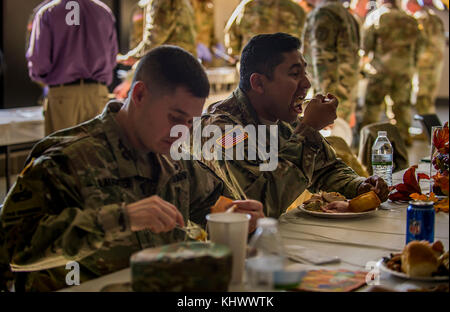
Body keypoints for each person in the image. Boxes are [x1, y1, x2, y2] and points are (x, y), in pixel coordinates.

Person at [0, 46, 264, 292]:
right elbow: (9, 250)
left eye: (190, 122)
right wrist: (121, 219)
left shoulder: (173, 158)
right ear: (138, 95)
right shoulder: (68, 160)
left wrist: (239, 215)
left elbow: (211, 204)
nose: (182, 132)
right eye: (174, 117)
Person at [197, 33, 389, 218]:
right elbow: (262, 204)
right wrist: (309, 130)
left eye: (305, 72)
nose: (306, 83)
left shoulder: (281, 117)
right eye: (295, 74)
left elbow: (324, 169)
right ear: (258, 83)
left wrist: (360, 186)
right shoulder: (222, 130)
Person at [26, 0, 118, 136]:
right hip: (98, 95)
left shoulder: (48, 13)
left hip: (63, 96)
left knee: (61, 153)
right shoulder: (104, 12)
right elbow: (112, 58)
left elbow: (40, 64)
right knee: (96, 154)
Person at [360, 0, 422, 146]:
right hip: (404, 71)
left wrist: (363, 66)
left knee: (373, 107)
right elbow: (419, 46)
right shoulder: (410, 19)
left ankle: (369, 140)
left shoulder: (377, 17)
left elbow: (366, 45)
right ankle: (402, 140)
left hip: (381, 71)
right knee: (402, 106)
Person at [115, 0, 197, 100]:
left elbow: (154, 39)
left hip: (170, 76)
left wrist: (133, 57)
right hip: (184, 72)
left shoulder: (162, 2)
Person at [302, 0, 361, 126]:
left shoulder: (323, 13)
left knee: (331, 136)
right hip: (346, 87)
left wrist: (324, 97)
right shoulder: (346, 14)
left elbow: (322, 58)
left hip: (331, 90)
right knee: (341, 133)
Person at [403, 0, 446, 115]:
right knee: (429, 98)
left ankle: (428, 129)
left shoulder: (420, 18)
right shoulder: (434, 17)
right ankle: (431, 128)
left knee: (422, 99)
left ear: (412, 4)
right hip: (437, 62)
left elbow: (419, 42)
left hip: (425, 63)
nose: (407, 10)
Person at [224, 0, 306, 59]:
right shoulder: (295, 9)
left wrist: (235, 52)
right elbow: (306, 37)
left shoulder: (247, 6)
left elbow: (232, 34)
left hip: (253, 64)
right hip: (286, 65)